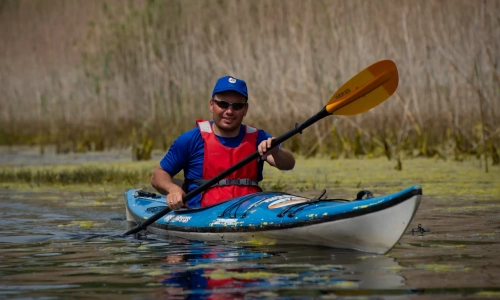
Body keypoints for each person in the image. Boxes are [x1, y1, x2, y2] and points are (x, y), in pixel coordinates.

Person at [151, 75, 295, 210]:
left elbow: (288, 164)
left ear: (245, 109)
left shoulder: (259, 137)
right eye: (223, 104)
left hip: (249, 212)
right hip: (202, 214)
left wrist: (276, 151)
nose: (229, 111)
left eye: (237, 106)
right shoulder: (191, 139)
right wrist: (173, 189)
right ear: (211, 105)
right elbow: (159, 174)